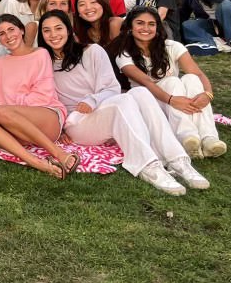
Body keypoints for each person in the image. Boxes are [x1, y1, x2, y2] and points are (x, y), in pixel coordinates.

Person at [38, 11, 206, 196]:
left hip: (102, 107)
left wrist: (92, 100)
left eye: (58, 28)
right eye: (47, 31)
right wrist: (58, 127)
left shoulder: (92, 51)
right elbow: (44, 99)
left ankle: (177, 160)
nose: (53, 35)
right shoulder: (43, 62)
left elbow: (111, 87)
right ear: (42, 35)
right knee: (121, 103)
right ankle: (148, 165)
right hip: (76, 121)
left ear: (69, 30)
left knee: (140, 92)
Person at [112, 7, 226, 159]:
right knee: (172, 81)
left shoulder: (172, 46)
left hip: (175, 101)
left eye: (151, 24)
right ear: (130, 27)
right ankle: (187, 137)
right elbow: (146, 82)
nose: (146, 28)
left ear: (158, 27)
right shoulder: (124, 54)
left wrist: (207, 94)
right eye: (140, 23)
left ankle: (208, 138)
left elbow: (198, 73)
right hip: (149, 104)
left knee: (191, 79)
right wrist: (172, 100)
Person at [0, 15, 77, 179]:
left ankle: (59, 153)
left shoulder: (40, 54)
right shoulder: (0, 63)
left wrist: (7, 111)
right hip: (14, 122)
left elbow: (43, 95)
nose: (8, 36)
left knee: (1, 113)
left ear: (21, 30)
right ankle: (38, 163)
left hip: (46, 115)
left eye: (11, 30)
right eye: (2, 33)